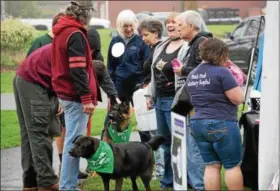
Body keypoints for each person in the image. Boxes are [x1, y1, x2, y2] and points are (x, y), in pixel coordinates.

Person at [51, 1, 99, 190]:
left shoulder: (61, 31)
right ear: (85, 15)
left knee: (72, 139)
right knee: (74, 143)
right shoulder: (76, 34)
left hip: (65, 93)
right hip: (74, 96)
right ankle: (67, 187)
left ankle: (67, 185)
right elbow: (78, 69)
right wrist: (87, 99)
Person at [186, 38, 244, 190]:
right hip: (221, 122)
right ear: (221, 54)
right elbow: (238, 99)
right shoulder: (222, 72)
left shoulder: (193, 73)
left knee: (211, 166)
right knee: (232, 166)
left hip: (197, 123)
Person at [174, 10, 213, 190]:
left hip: (197, 103)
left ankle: (199, 185)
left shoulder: (201, 43)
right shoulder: (195, 43)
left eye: (181, 25)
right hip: (196, 101)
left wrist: (182, 70)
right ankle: (197, 182)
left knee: (195, 146)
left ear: (191, 26)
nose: (178, 29)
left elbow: (204, 72)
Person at [146, 12, 185, 189]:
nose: (170, 25)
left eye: (174, 22)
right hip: (160, 100)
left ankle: (183, 179)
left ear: (183, 26)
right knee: (165, 142)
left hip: (176, 101)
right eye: (168, 22)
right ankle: (168, 180)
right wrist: (150, 95)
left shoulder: (186, 47)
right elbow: (154, 74)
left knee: (179, 143)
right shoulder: (162, 46)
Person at [14, 44, 61, 191]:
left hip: (27, 80)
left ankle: (31, 182)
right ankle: (47, 182)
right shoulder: (67, 47)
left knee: (30, 134)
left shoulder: (57, 45)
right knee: (40, 132)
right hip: (34, 84)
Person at [137, 18, 165, 179]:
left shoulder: (159, 49)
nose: (143, 38)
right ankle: (160, 168)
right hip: (150, 92)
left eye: (146, 34)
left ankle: (161, 170)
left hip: (158, 95)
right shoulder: (152, 48)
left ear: (155, 33)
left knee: (157, 133)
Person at [107, 9, 149, 104]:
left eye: (131, 26)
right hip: (119, 84)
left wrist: (145, 82)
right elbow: (110, 66)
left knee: (142, 114)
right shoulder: (115, 41)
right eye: (125, 26)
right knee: (115, 114)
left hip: (137, 84)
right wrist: (110, 88)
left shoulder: (141, 41)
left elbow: (146, 63)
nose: (129, 29)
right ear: (119, 26)